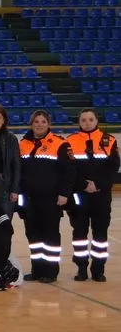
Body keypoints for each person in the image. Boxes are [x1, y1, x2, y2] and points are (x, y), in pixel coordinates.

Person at [19, 110, 74, 283]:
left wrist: (64, 193)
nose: (40, 124)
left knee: (50, 236)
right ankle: (37, 270)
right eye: (36, 121)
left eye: (43, 121)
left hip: (51, 199)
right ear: (31, 124)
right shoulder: (23, 144)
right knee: (33, 236)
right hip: (29, 199)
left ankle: (50, 272)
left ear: (48, 124)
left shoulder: (60, 144)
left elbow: (70, 172)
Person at [66, 109, 118, 282]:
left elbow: (112, 168)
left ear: (97, 120)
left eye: (90, 119)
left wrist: (98, 185)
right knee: (79, 233)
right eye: (83, 120)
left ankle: (98, 270)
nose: (87, 122)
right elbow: (70, 169)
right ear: (79, 122)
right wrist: (84, 185)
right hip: (79, 196)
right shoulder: (71, 141)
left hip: (101, 196)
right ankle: (81, 269)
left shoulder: (109, 141)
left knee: (100, 235)